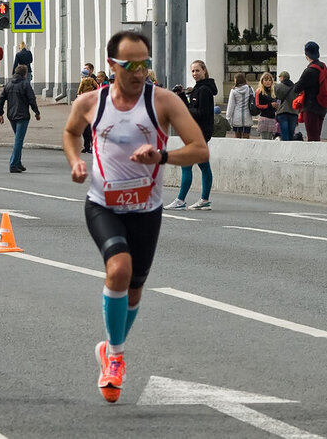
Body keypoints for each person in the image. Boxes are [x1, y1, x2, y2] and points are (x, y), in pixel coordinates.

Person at [61, 30, 209, 403]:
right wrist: (76, 160)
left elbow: (200, 149)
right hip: (103, 205)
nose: (139, 71)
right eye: (131, 65)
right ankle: (115, 356)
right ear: (112, 66)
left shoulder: (163, 102)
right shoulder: (89, 103)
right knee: (120, 271)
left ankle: (111, 346)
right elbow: (69, 132)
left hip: (146, 209)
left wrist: (162, 157)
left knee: (136, 287)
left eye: (145, 63)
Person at [166, 60, 216, 210]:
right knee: (204, 165)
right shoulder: (199, 88)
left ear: (204, 71)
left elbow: (202, 113)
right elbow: (190, 109)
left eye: (197, 71)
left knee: (186, 164)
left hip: (199, 132)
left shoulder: (204, 90)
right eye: (193, 71)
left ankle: (180, 200)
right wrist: (181, 96)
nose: (195, 74)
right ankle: (204, 200)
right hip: (197, 132)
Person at [0, 64, 41, 173]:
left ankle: (18, 163)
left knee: (18, 138)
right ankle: (13, 164)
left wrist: (0, 112)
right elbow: (32, 99)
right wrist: (36, 112)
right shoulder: (25, 85)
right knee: (18, 140)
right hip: (22, 116)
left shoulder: (8, 84)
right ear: (24, 74)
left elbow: (1, 99)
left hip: (11, 115)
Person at [290, 41, 327, 142]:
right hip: (322, 106)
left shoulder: (310, 71)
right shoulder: (323, 67)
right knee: (316, 135)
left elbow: (297, 88)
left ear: (306, 55)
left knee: (312, 138)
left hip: (311, 107)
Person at [77, 64, 99, 153]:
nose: (85, 70)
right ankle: (86, 146)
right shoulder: (83, 79)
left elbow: (98, 89)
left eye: (87, 69)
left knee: (91, 127)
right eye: (84, 68)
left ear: (91, 70)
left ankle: (92, 146)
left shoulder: (94, 79)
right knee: (84, 128)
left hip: (92, 105)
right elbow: (79, 91)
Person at [226, 73, 253, 139]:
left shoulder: (233, 91)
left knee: (237, 139)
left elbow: (230, 106)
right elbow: (253, 101)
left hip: (236, 117)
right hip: (247, 116)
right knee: (247, 139)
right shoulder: (250, 89)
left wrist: (228, 118)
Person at [253, 72, 279, 140]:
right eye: (266, 80)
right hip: (264, 118)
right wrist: (270, 105)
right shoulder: (259, 91)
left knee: (270, 140)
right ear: (262, 81)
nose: (268, 82)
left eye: (269, 80)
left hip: (272, 118)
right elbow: (257, 105)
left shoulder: (273, 91)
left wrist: (276, 106)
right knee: (264, 140)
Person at [274, 70, 298, 141]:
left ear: (282, 77)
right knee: (291, 134)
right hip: (294, 112)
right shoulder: (295, 87)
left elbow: (277, 97)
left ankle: (285, 149)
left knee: (284, 133)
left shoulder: (278, 86)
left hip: (283, 112)